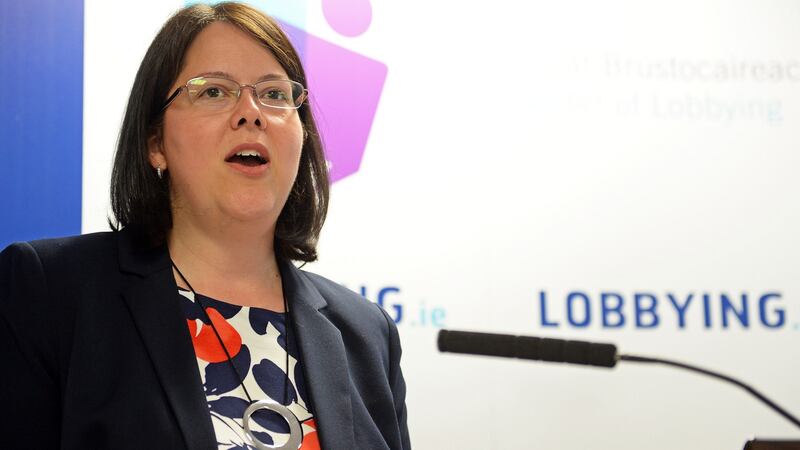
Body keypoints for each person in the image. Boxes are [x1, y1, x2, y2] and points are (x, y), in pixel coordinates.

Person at [0, 3, 410, 449]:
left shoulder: (366, 333)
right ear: (156, 142)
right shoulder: (51, 291)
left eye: (274, 94)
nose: (251, 112)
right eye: (214, 91)